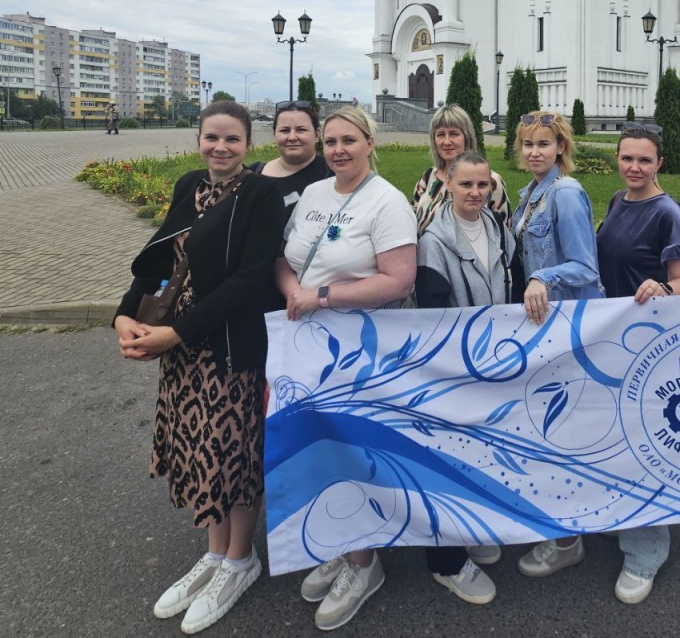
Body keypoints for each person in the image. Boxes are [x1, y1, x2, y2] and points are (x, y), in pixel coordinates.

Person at [113, 101, 287, 634]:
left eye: (232, 140)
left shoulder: (261, 195)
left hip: (228, 347)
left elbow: (251, 280)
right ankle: (214, 557)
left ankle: (240, 560)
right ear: (198, 140)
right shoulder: (190, 184)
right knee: (200, 452)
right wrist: (124, 314)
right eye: (212, 137)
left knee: (231, 455)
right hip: (184, 353)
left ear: (248, 145)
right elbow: (161, 258)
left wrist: (178, 332)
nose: (221, 148)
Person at [275, 107, 418, 631]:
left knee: (353, 451)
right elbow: (287, 257)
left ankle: (364, 565)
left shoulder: (387, 202)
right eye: (331, 141)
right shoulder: (315, 193)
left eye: (348, 141)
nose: (338, 150)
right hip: (307, 343)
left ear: (369, 142)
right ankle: (342, 543)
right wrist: (295, 291)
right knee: (322, 449)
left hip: (358, 349)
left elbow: (398, 280)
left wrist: (323, 297)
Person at [596, 121, 680, 604]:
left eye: (644, 159)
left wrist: (662, 287)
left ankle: (646, 551)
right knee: (614, 438)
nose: (634, 167)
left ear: (660, 162)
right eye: (626, 158)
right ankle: (619, 518)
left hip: (650, 343)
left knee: (643, 444)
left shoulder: (666, 212)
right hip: (612, 339)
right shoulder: (619, 202)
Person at [413, 149, 525, 605]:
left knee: (481, 453)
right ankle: (445, 563)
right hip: (455, 369)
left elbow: (514, 284)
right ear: (449, 187)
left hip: (493, 363)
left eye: (483, 185)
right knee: (449, 457)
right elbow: (432, 312)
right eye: (466, 185)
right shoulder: (434, 242)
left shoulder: (498, 230)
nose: (476, 193)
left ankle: (472, 528)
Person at [510, 111, 604, 580]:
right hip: (543, 327)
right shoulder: (531, 194)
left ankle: (568, 539)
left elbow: (586, 269)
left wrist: (540, 276)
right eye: (527, 144)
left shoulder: (564, 193)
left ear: (560, 148)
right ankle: (560, 524)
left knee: (563, 431)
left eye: (543, 144)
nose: (534, 153)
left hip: (568, 327)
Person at [412, 103, 509, 234]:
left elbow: (503, 234)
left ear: (467, 137)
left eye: (453, 134)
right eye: (440, 134)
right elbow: (411, 224)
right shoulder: (428, 178)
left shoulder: (490, 182)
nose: (446, 142)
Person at [251, 99, 330, 212]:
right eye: (285, 130)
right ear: (274, 134)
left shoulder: (331, 175)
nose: (292, 137)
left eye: (301, 130)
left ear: (317, 134)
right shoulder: (253, 173)